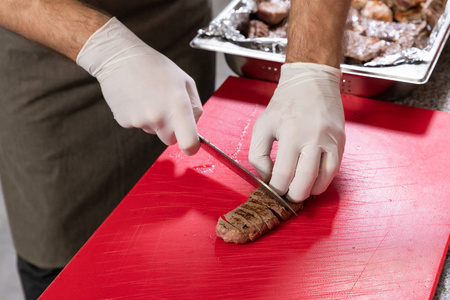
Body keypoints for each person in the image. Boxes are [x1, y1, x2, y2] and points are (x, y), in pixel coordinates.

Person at [0, 0, 349, 299]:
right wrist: (103, 46)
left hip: (171, 30)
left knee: (185, 263)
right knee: (67, 257)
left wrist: (312, 66)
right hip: (42, 48)